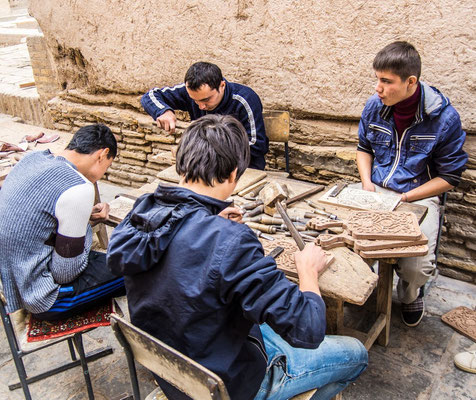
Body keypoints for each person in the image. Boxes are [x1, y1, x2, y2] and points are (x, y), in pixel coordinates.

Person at [107, 114, 367, 400]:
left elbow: (178, 245)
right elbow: (308, 329)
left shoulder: (142, 211)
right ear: (233, 174)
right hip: (229, 384)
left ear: (180, 160)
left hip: (174, 370)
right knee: (356, 354)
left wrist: (205, 220)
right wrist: (307, 271)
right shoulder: (231, 241)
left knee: (261, 315)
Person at [356, 41, 468, 327]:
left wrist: (406, 198)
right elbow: (363, 148)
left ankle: (410, 293)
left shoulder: (444, 119)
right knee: (351, 244)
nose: (377, 88)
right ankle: (364, 286)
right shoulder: (374, 105)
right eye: (377, 79)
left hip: (418, 195)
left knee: (416, 265)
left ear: (411, 82)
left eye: (386, 81)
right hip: (377, 189)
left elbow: (449, 177)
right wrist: (367, 184)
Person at [0, 124, 125, 321]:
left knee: (114, 260)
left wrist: (82, 215)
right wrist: (81, 221)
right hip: (43, 296)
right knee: (138, 268)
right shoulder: (78, 187)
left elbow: (38, 217)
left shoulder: (33, 159)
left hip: (13, 281)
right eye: (107, 166)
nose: (103, 173)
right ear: (102, 154)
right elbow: (65, 273)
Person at [141, 61, 269, 170]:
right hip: (207, 166)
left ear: (222, 86)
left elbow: (257, 145)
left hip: (243, 167)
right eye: (195, 100)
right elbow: (150, 96)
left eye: (206, 100)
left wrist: (211, 150)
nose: (201, 107)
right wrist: (163, 111)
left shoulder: (245, 99)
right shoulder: (191, 91)